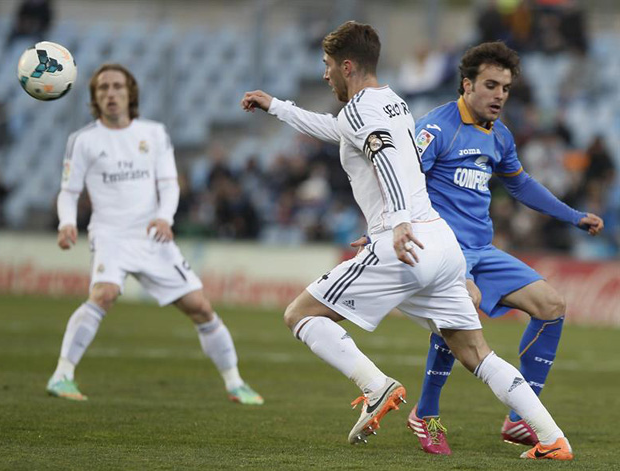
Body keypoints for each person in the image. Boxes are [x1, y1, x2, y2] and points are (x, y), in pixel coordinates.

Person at [242, 21, 573, 460]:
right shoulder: (390, 102)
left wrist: (397, 223)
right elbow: (339, 129)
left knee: (301, 314)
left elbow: (387, 163)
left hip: (405, 242)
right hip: (442, 244)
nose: (324, 75)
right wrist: (276, 107)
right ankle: (553, 440)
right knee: (476, 352)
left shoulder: (364, 111)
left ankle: (376, 386)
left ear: (346, 66)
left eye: (327, 66)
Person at [402, 41, 603, 455]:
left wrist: (572, 216)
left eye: (506, 88)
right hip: (444, 252)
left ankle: (520, 416)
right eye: (491, 85)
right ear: (466, 85)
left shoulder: (501, 136)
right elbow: (401, 182)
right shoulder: (437, 128)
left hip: (482, 249)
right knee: (462, 309)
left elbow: (520, 184)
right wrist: (385, 228)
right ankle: (426, 413)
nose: (499, 95)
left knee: (551, 306)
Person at [46, 63, 263, 406]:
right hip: (111, 235)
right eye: (103, 88)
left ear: (130, 92)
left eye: (117, 86)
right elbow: (68, 191)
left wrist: (164, 218)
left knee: (201, 308)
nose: (110, 93)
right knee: (104, 293)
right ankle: (62, 374)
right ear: (94, 97)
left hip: (152, 236)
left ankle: (235, 383)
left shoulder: (154, 134)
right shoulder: (83, 140)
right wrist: (66, 223)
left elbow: (168, 183)